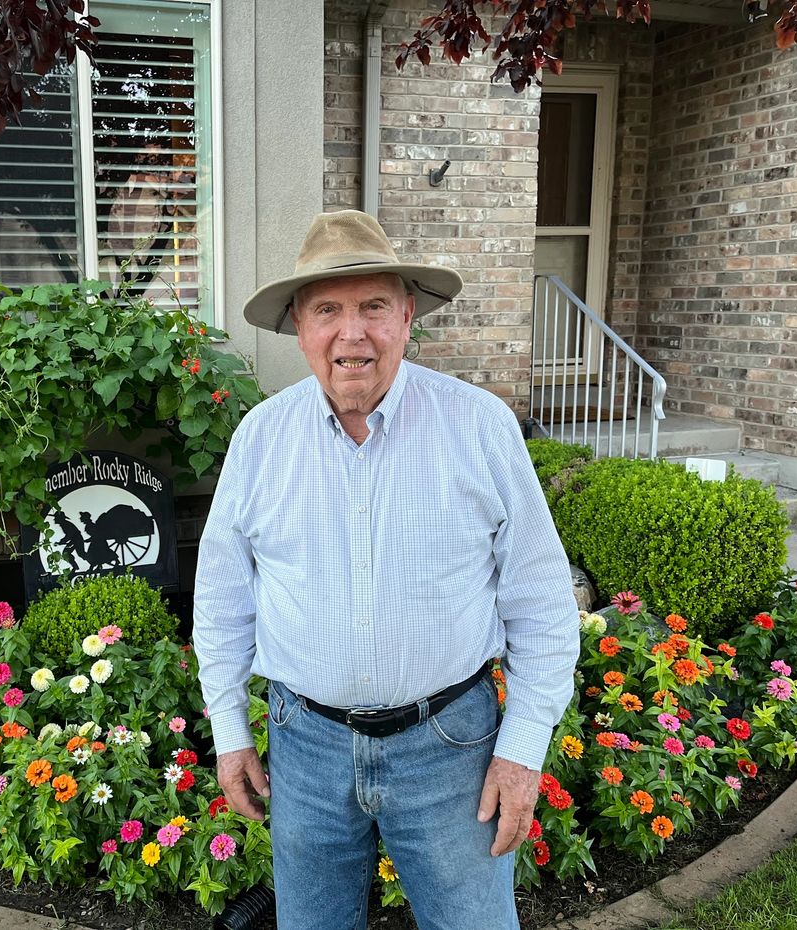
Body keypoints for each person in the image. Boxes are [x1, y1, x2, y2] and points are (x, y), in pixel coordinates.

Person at [192, 210, 580, 930]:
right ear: (298, 326)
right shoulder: (260, 440)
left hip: (451, 750)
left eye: (374, 307)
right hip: (305, 747)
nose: (353, 333)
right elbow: (222, 598)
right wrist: (229, 730)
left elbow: (541, 602)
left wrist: (523, 750)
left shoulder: (479, 426)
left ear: (406, 316)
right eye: (328, 311)